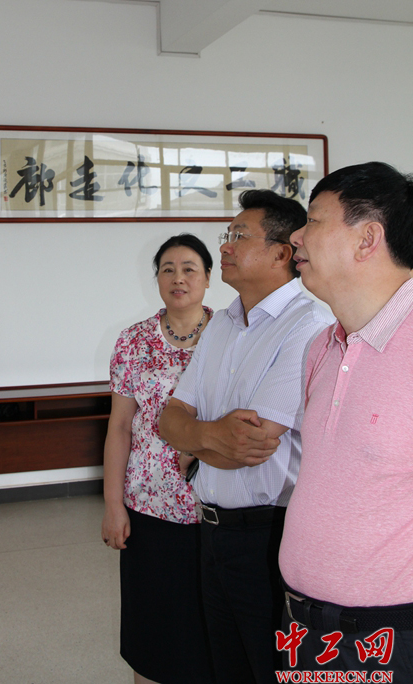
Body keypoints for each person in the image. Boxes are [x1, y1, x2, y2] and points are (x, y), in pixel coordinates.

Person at [159, 190, 332, 684]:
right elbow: (169, 420)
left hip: (267, 536)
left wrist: (195, 441)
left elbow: (249, 445)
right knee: (227, 665)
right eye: (227, 235)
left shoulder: (309, 325)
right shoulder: (222, 323)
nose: (225, 246)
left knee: (269, 666)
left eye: (239, 235)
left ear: (281, 253)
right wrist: (207, 436)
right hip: (212, 530)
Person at [278, 162, 413, 677]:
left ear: (367, 239)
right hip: (303, 623)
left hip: (390, 635)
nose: (296, 236)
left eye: (313, 220)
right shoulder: (322, 346)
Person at [101, 233, 215, 684]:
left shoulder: (231, 334)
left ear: (208, 277)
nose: (178, 278)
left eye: (189, 268)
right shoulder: (133, 341)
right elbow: (119, 427)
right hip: (149, 506)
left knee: (209, 629)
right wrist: (114, 505)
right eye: (168, 269)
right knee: (152, 630)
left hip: (215, 507)